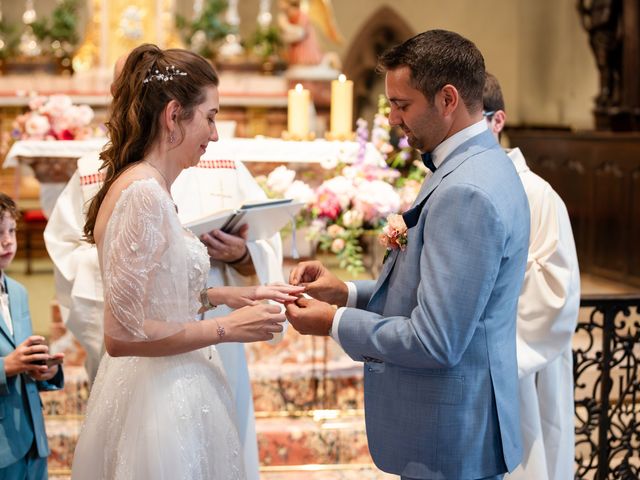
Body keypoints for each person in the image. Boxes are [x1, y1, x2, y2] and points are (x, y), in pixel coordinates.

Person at [285, 30, 530, 480]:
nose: (394, 117)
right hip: (455, 424)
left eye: (403, 104)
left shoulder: (467, 191)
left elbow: (435, 339)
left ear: (448, 99)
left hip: (449, 433)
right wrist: (346, 293)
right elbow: (434, 292)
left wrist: (333, 323)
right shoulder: (477, 164)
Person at [70, 44, 302, 479]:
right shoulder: (142, 194)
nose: (214, 135)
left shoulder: (149, 185)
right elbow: (122, 335)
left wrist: (233, 293)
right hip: (157, 403)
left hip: (172, 385)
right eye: (210, 117)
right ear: (174, 115)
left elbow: (156, 292)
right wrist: (226, 328)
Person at [483, 73, 580, 480]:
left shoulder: (538, 196)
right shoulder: (451, 186)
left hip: (517, 370)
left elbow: (554, 298)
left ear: (497, 121)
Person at [0, 192, 64, 479]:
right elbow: (11, 361)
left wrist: (44, 370)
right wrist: (7, 366)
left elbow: (21, 356)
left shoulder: (18, 292)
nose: (7, 241)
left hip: (32, 439)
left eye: (11, 231)